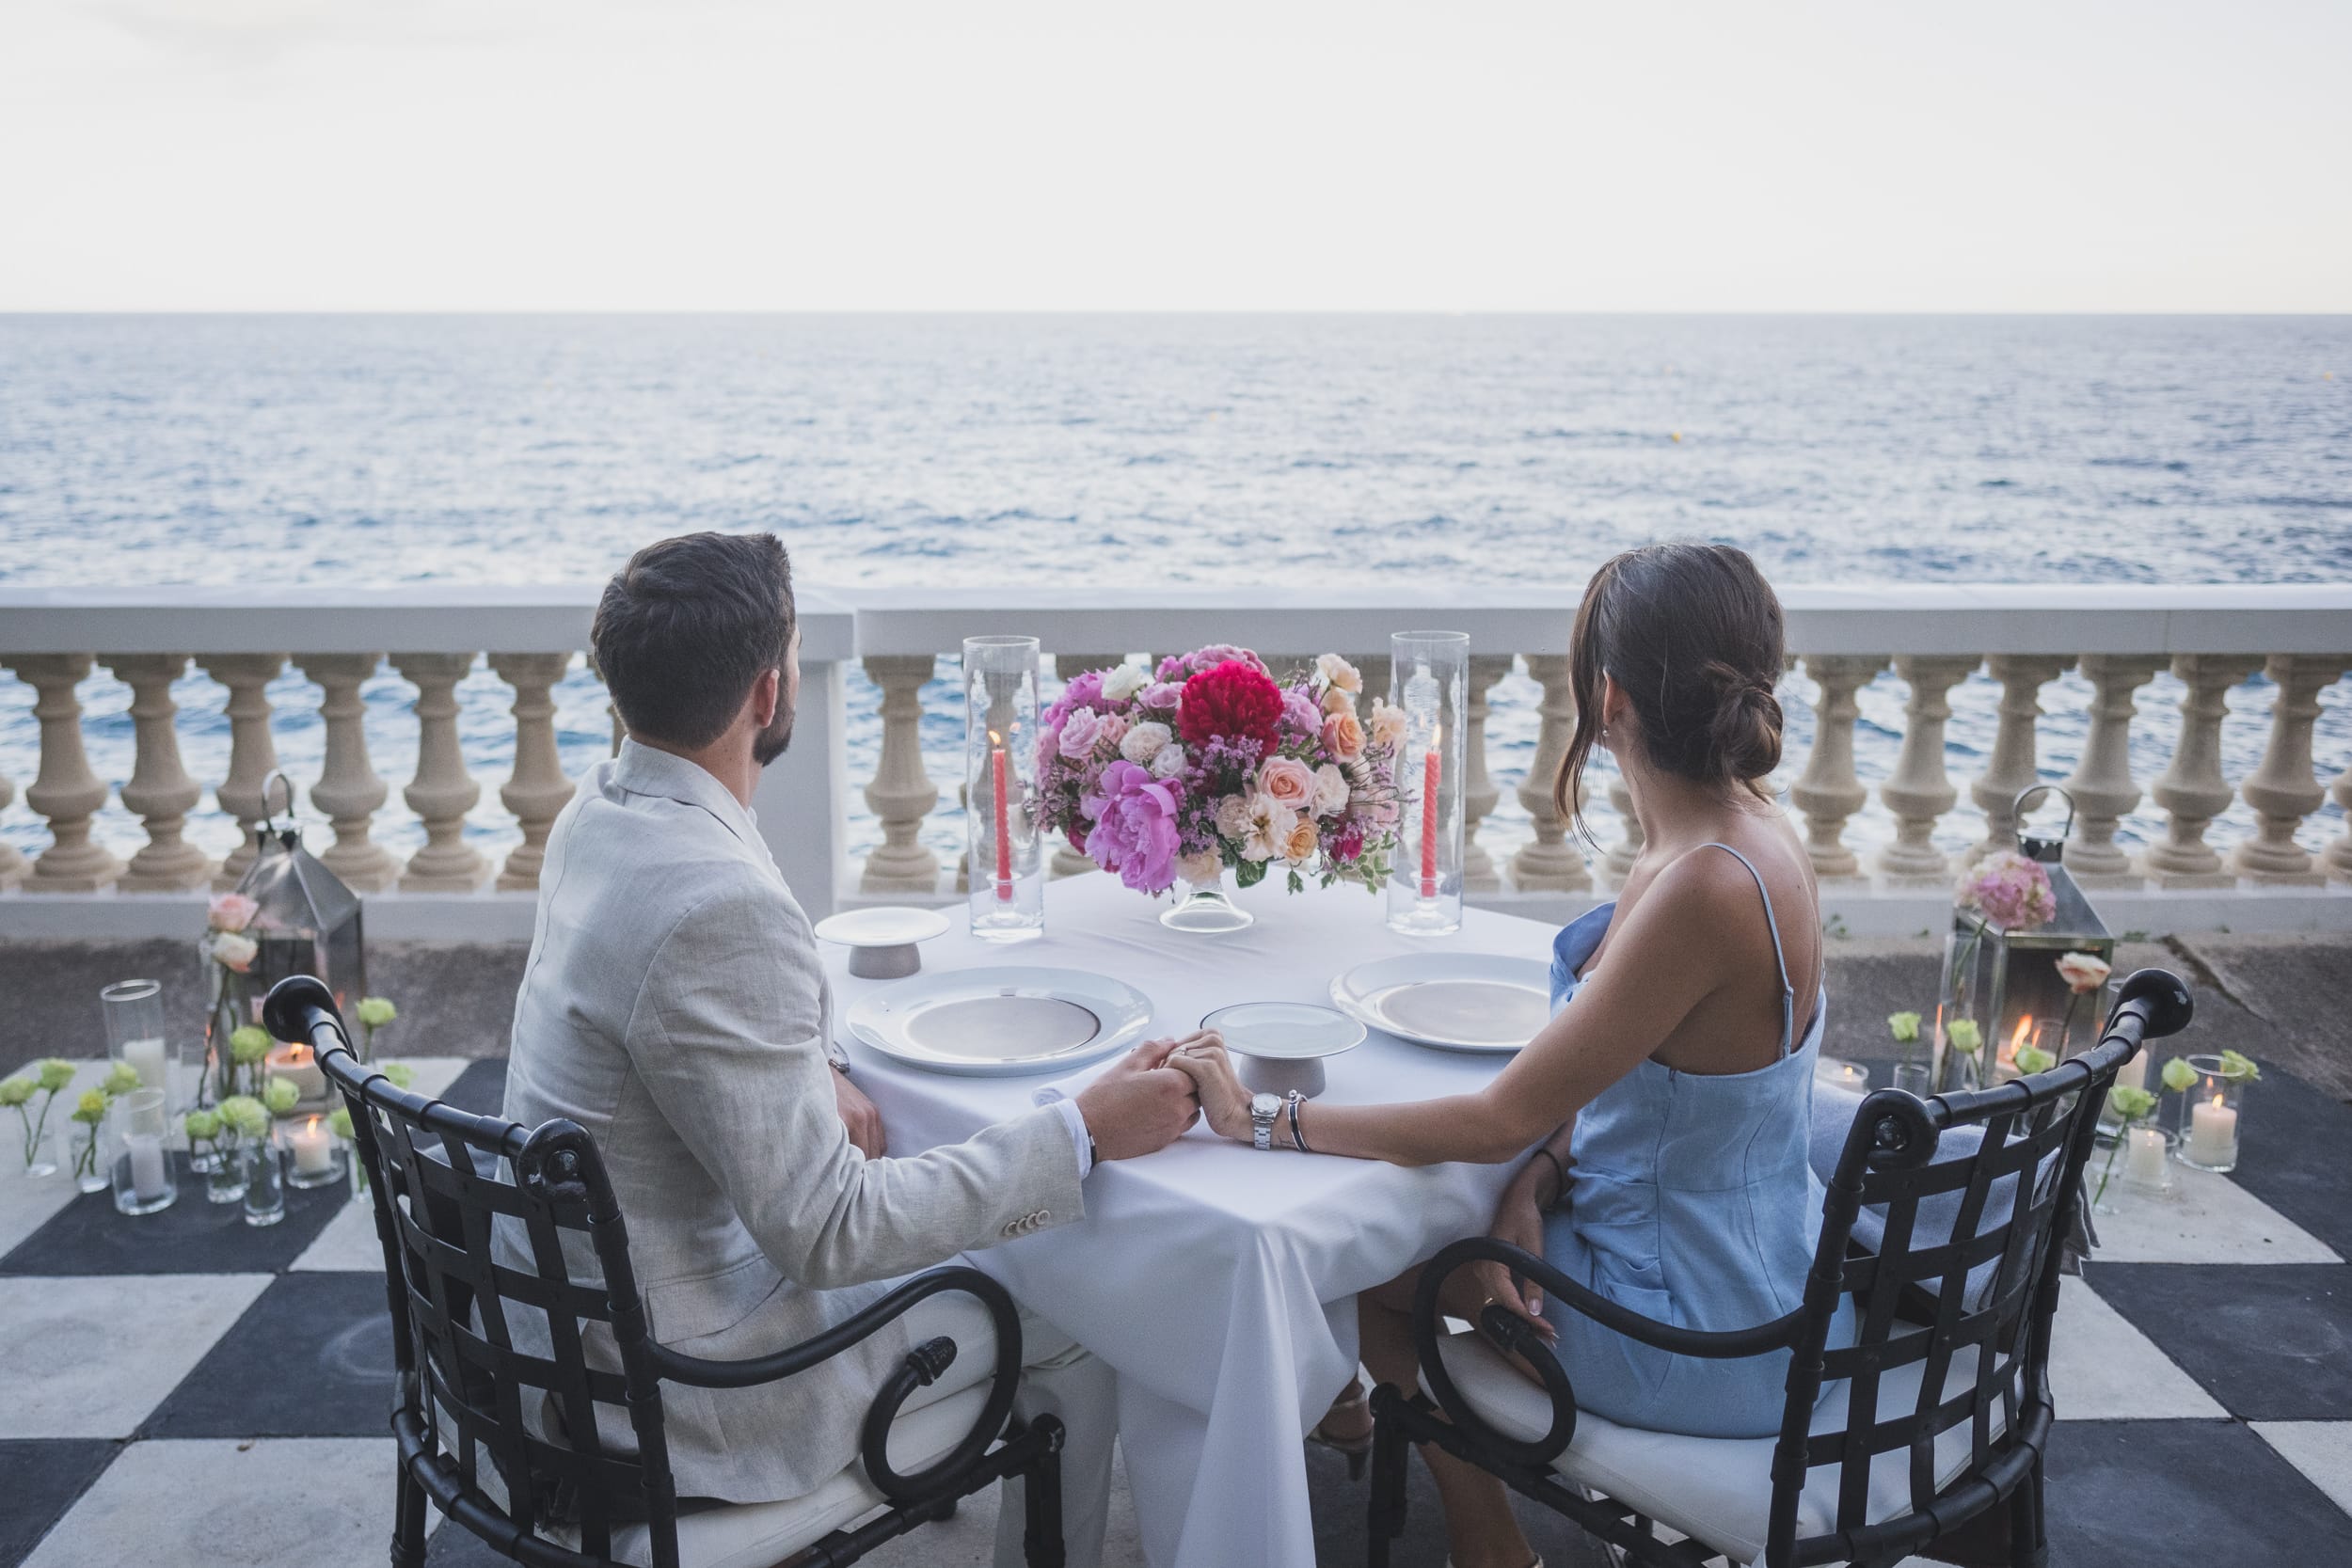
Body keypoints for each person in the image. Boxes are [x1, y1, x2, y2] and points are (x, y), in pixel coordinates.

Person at [498, 530, 1200, 1568]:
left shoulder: (599, 816)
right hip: (684, 1397)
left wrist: (815, 1061)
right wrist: (1082, 1130)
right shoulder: (716, 900)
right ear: (770, 695)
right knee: (1073, 1301)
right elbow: (828, 1232)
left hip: (559, 1344)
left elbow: (686, 1011)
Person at [1170, 543, 1856, 1568]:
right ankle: (1455, 1515)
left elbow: (1496, 1111)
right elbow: (1607, 1080)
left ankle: (1491, 1547)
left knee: (1359, 1269)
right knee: (1434, 1240)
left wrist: (1260, 1120)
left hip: (1706, 1334)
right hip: (1779, 1280)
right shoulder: (1748, 834)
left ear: (1609, 695)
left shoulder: (1700, 883)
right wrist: (1531, 1181)